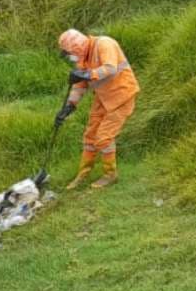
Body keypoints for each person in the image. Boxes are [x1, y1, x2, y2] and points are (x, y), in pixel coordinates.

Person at [54, 28, 140, 190]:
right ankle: (83, 173)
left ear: (76, 47)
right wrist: (69, 106)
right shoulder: (83, 56)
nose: (70, 57)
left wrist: (86, 75)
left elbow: (110, 68)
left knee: (103, 138)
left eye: (69, 53)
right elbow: (80, 85)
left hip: (122, 95)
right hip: (103, 97)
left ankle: (110, 175)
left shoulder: (104, 44)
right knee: (90, 137)